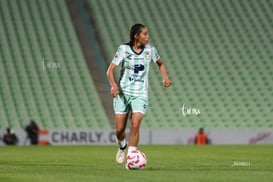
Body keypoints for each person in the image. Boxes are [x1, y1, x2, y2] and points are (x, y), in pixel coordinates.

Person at [106, 23, 172, 164]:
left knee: (135, 124)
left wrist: (165, 77)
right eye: (145, 34)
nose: (147, 37)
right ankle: (122, 146)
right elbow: (110, 70)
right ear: (136, 36)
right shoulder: (124, 49)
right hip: (123, 94)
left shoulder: (150, 50)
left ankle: (131, 157)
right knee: (119, 130)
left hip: (140, 94)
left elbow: (161, 63)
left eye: (147, 34)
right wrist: (113, 85)